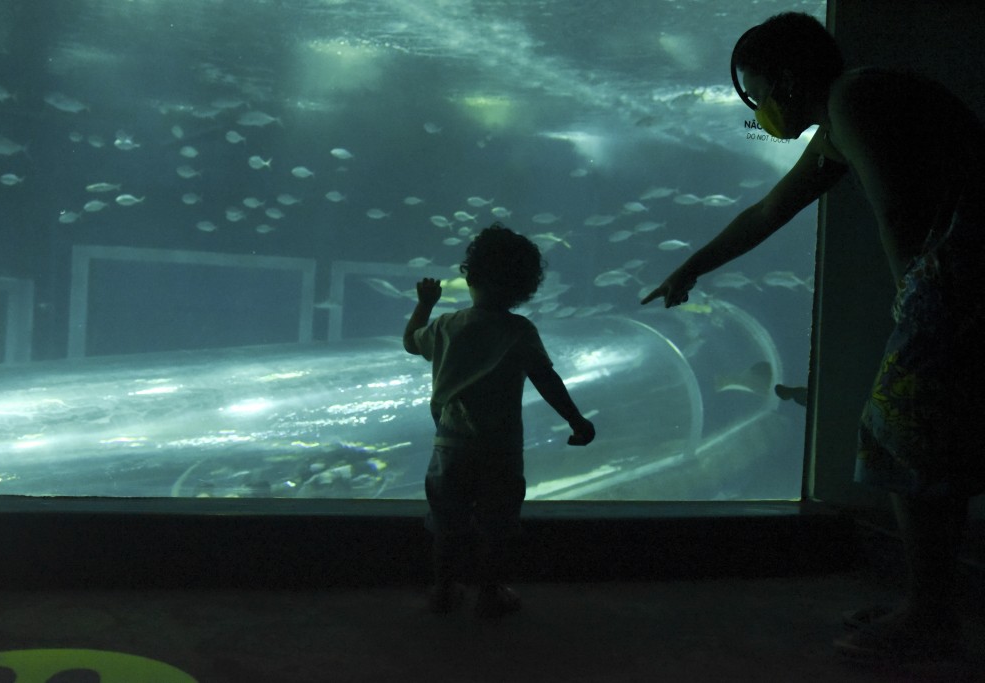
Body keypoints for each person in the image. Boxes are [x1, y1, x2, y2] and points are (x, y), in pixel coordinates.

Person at [641, 11, 985, 664]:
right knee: (926, 441)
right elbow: (772, 208)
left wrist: (918, 305)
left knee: (901, 434)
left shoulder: (854, 99)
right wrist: (693, 266)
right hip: (952, 288)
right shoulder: (842, 115)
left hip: (954, 289)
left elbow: (901, 217)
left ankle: (930, 613)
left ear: (790, 79)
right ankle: (929, 599)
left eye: (756, 90)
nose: (756, 107)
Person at [404, 223, 596, 617]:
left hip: (450, 448)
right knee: (497, 525)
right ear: (524, 288)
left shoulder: (446, 325)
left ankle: (443, 589)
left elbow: (411, 341)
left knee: (447, 521)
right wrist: (577, 420)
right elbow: (547, 379)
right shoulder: (519, 330)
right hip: (501, 449)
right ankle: (490, 593)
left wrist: (425, 302)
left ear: (469, 277)